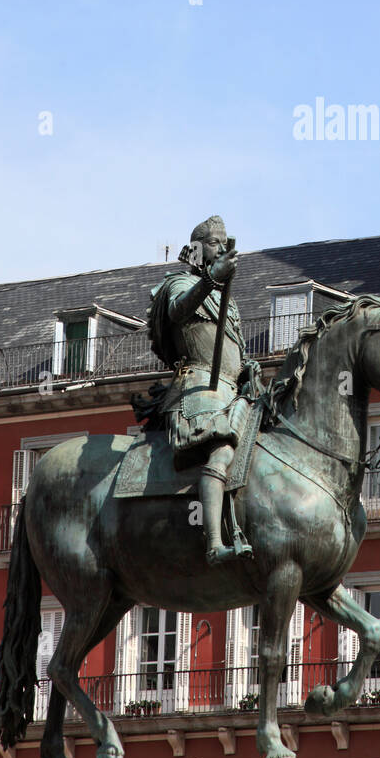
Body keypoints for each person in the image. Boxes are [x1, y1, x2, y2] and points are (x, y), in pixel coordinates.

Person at [143, 215, 262, 564]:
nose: (222, 247)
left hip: (231, 390)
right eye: (214, 242)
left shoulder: (230, 302)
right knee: (222, 448)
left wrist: (246, 367)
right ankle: (213, 543)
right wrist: (212, 279)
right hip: (197, 387)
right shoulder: (178, 283)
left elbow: (231, 350)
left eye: (225, 241)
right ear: (197, 249)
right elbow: (179, 312)